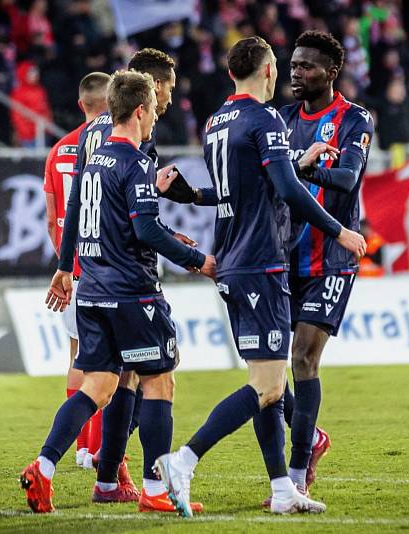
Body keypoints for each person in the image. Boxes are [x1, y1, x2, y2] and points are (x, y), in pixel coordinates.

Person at [153, 36, 366, 517]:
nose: (289, 75)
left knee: (268, 382)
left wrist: (187, 195)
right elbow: (285, 190)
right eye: (285, 67)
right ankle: (184, 460)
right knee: (269, 387)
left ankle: (283, 490)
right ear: (268, 70)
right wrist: (340, 230)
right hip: (264, 263)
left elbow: (245, 187)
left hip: (230, 261)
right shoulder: (268, 118)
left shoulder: (215, 123)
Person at [19, 69, 216, 514]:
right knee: (159, 382)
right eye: (152, 114)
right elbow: (145, 229)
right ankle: (155, 490)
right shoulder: (135, 162)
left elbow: (70, 214)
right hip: (132, 293)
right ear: (141, 110)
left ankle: (43, 469)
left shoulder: (94, 157)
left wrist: (63, 268)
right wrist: (198, 261)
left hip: (91, 290)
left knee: (99, 386)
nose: (153, 124)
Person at [73, 49, 199, 511]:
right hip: (125, 274)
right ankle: (131, 476)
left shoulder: (97, 132)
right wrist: (189, 254)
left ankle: (108, 473)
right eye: (166, 88)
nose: (169, 98)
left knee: (120, 376)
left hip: (94, 268)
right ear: (150, 87)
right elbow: (135, 218)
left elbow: (94, 202)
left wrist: (69, 264)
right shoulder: (132, 137)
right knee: (149, 374)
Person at [276, 30, 375, 502]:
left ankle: (295, 476)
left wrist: (295, 168)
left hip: (332, 257)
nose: (296, 73)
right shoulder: (281, 118)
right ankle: (312, 437)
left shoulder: (355, 118)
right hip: (283, 255)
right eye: (293, 65)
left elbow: (346, 179)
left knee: (302, 359)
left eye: (307, 67)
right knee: (269, 373)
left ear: (331, 72)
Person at [43, 71, 110, 473]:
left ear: (81, 103)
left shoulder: (59, 149)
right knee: (109, 365)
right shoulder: (115, 144)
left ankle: (81, 445)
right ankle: (95, 449)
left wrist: (65, 267)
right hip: (107, 268)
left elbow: (53, 220)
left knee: (76, 356)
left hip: (74, 268)